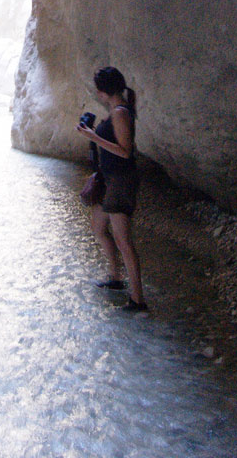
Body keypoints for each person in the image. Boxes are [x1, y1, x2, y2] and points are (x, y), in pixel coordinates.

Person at [76, 66, 147, 314]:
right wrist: (94, 134)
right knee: (98, 227)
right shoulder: (116, 111)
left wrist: (94, 138)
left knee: (123, 240)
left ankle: (138, 299)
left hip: (120, 180)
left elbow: (125, 151)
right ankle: (116, 278)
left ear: (103, 91)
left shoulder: (120, 113)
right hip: (108, 179)